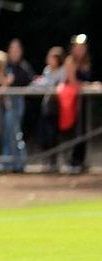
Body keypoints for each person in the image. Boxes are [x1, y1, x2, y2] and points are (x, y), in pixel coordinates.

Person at [31, 46, 66, 170]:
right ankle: (47, 161)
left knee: (54, 135)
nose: (50, 60)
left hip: (57, 107)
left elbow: (60, 86)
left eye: (52, 58)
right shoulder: (47, 70)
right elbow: (43, 84)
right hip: (47, 107)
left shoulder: (63, 70)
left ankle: (54, 161)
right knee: (44, 134)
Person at [1, 39, 34, 172]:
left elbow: (29, 81)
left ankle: (19, 162)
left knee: (15, 132)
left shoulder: (24, 67)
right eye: (12, 49)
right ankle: (8, 161)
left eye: (17, 49)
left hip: (18, 102)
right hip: (6, 102)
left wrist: (11, 81)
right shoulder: (6, 66)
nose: (14, 52)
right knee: (8, 132)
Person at [68, 34, 93, 172]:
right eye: (77, 47)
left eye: (82, 47)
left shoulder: (86, 62)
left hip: (84, 100)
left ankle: (81, 160)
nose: (80, 49)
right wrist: (89, 87)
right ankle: (74, 160)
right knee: (76, 130)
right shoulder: (70, 61)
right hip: (72, 101)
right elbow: (72, 82)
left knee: (84, 129)